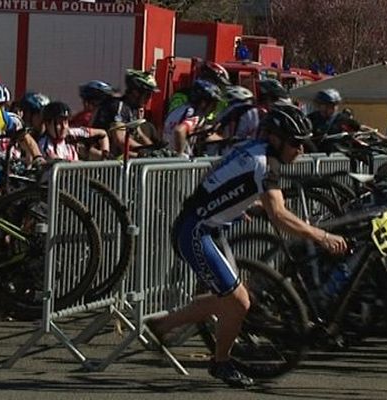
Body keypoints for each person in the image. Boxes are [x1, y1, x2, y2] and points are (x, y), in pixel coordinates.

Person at [146, 104, 347, 388]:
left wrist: (236, 203)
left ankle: (163, 325)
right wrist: (322, 237)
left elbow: (219, 181)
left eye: (304, 144)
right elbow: (280, 216)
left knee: (234, 298)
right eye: (295, 143)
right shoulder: (263, 163)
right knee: (238, 301)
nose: (300, 151)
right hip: (196, 232)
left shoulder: (256, 150)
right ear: (276, 139)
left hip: (208, 226)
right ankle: (221, 363)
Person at [93, 69, 157, 158]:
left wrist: (155, 150)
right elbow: (121, 140)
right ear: (135, 92)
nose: (149, 99)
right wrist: (147, 152)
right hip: (102, 162)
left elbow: (139, 135)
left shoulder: (133, 109)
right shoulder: (119, 106)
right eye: (147, 95)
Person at [162, 79, 223, 157]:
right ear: (203, 103)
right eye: (213, 104)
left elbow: (205, 134)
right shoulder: (194, 115)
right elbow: (179, 131)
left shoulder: (178, 110)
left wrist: (226, 141)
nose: (214, 108)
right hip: (178, 163)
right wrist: (179, 155)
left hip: (165, 156)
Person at [38, 101, 109, 161]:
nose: (64, 127)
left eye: (66, 122)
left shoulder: (72, 133)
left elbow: (102, 134)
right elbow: (59, 162)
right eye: (59, 123)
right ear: (47, 124)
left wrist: (105, 155)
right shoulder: (44, 144)